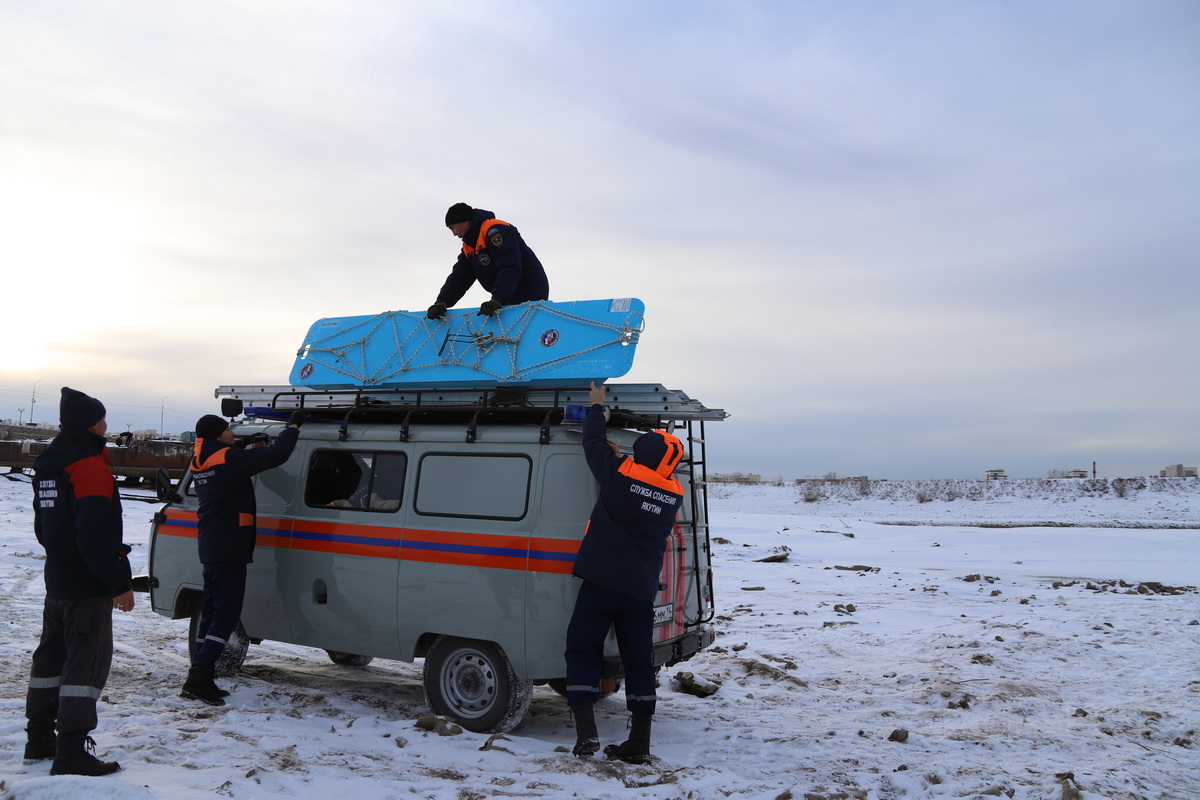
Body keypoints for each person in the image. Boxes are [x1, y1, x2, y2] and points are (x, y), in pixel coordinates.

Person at [564, 382, 685, 763]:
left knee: (582, 649)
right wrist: (620, 463)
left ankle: (586, 734)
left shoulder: (617, 476)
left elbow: (592, 442)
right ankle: (640, 744)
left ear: (642, 456)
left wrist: (597, 406)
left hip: (601, 583)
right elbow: (639, 484)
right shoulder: (672, 495)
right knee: (638, 662)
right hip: (639, 592)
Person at [25, 387, 134, 776]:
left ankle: (39, 739)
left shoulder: (50, 465)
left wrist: (62, 559)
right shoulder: (88, 465)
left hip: (58, 581)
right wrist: (118, 583)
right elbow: (93, 534)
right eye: (103, 418)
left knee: (50, 659)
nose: (107, 425)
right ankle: (70, 750)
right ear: (92, 424)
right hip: (87, 586)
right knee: (83, 669)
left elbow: (42, 527)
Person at [180, 410, 304, 705]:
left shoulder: (201, 461)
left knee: (211, 610)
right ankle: (199, 677)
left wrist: (246, 446)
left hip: (212, 545)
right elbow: (279, 454)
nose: (232, 434)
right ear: (217, 435)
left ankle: (201, 674)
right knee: (226, 612)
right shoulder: (228, 459)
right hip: (230, 546)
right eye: (228, 431)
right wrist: (293, 426)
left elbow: (231, 458)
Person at [426, 203, 549, 319]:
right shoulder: (470, 246)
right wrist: (442, 302)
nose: (454, 233)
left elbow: (509, 267)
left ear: (464, 221)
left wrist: (497, 300)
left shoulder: (495, 230)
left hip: (530, 291)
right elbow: (459, 278)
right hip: (507, 296)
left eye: (453, 227)